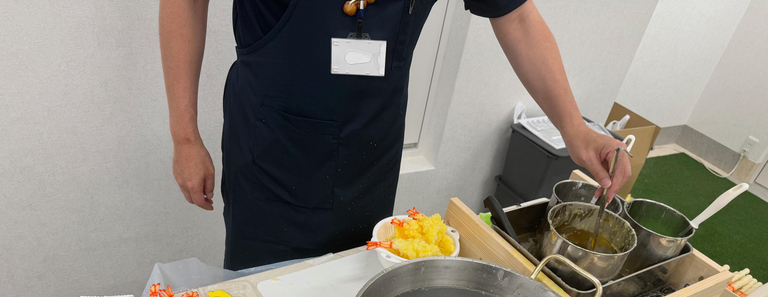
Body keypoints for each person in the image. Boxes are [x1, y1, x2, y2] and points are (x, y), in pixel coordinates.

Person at [159, 0, 630, 270]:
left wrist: (573, 126)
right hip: (271, 150)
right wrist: (185, 137)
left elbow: (518, 16)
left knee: (354, 290)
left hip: (369, 152)